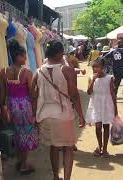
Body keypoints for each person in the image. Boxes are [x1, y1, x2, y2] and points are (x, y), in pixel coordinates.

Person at [32, 40, 85, 180]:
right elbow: (74, 95)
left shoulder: (38, 72)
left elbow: (33, 95)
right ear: (59, 53)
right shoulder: (67, 70)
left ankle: (56, 176)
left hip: (45, 116)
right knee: (68, 148)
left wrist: (34, 116)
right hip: (63, 115)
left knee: (54, 147)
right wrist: (80, 115)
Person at [0, 39, 38, 175]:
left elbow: (2, 95)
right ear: (18, 56)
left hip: (11, 106)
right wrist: (35, 112)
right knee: (26, 134)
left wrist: (3, 109)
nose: (26, 57)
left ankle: (21, 161)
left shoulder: (3, 72)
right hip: (24, 107)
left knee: (17, 134)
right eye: (24, 55)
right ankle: (23, 165)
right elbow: (33, 95)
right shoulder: (27, 72)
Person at [86, 58, 117, 158]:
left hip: (106, 105)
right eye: (93, 66)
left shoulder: (109, 78)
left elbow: (112, 94)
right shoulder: (91, 77)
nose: (95, 69)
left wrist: (115, 108)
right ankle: (99, 146)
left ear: (103, 67)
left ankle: (105, 149)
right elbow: (89, 92)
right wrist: (93, 80)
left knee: (106, 127)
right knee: (98, 127)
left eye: (97, 66)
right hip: (96, 105)